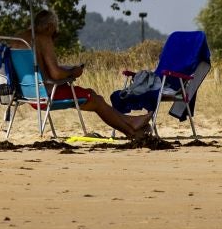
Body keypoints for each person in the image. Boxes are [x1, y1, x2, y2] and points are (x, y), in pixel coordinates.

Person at [29, 9, 152, 139]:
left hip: (31, 96)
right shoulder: (43, 38)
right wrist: (73, 72)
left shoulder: (22, 40)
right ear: (49, 27)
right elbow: (56, 74)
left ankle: (131, 121)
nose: (54, 33)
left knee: (92, 95)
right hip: (47, 94)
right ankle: (131, 131)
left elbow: (43, 70)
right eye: (55, 30)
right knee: (95, 99)